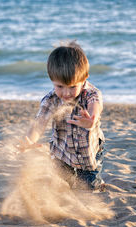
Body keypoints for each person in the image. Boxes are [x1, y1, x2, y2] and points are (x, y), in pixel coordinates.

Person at [17, 41, 106, 192]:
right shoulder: (51, 100)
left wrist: (91, 119)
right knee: (64, 185)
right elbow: (40, 122)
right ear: (51, 80)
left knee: (89, 186)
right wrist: (30, 140)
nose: (66, 93)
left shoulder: (90, 94)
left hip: (89, 152)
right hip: (62, 152)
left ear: (84, 79)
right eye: (60, 87)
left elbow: (95, 105)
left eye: (72, 87)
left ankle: (98, 185)